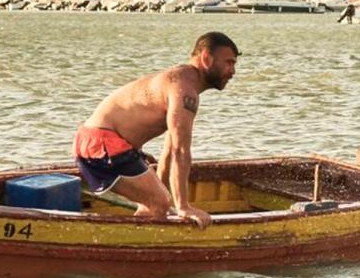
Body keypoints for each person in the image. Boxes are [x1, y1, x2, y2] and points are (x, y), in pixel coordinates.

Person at [74, 31, 239, 228]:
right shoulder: (184, 91)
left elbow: (169, 151)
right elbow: (180, 151)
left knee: (158, 203)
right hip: (101, 145)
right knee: (160, 203)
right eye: (229, 62)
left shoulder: (184, 85)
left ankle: (136, 239)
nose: (232, 71)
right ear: (206, 58)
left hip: (103, 144)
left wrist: (163, 192)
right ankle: (134, 241)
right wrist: (183, 207)